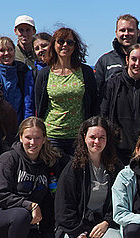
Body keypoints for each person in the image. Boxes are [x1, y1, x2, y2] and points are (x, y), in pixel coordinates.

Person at [0, 117, 66, 238]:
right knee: (21, 214)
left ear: (44, 139)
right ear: (21, 137)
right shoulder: (8, 159)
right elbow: (0, 196)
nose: (33, 142)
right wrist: (29, 205)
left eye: (38, 138)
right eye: (28, 137)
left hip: (28, 223)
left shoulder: (46, 162)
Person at [53, 116, 125, 238]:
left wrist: (107, 221)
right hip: (74, 229)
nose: (97, 142)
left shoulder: (115, 166)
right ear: (84, 137)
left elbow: (120, 201)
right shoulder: (73, 169)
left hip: (100, 225)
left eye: (102, 137)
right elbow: (63, 211)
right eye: (93, 137)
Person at [34, 27, 99, 157]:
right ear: (54, 44)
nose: (65, 45)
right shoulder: (44, 74)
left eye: (70, 42)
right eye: (61, 41)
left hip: (78, 136)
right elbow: (39, 105)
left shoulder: (85, 72)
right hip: (52, 136)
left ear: (75, 46)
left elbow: (93, 104)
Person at [99, 44, 140, 162]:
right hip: (117, 149)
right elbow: (103, 114)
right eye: (134, 59)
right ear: (127, 59)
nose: (137, 63)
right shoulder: (113, 84)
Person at [93, 14, 140, 91]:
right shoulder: (105, 60)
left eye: (130, 30)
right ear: (116, 33)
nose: (126, 34)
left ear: (138, 32)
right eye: (122, 30)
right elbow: (96, 92)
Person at [0, 36, 35, 120]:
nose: (6, 53)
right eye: (2, 50)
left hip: (19, 124)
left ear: (14, 51)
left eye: (10, 49)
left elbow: (28, 102)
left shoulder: (23, 71)